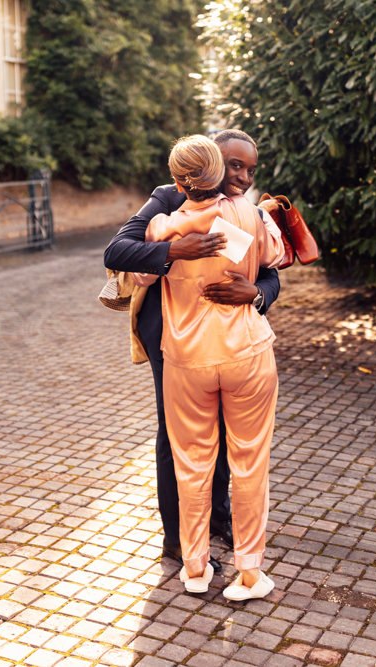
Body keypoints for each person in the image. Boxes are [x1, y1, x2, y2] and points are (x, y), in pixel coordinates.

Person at [103, 130, 280, 574]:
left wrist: (255, 292)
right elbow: (118, 249)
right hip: (172, 337)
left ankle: (218, 520)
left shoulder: (243, 208)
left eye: (249, 169)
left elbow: (268, 270)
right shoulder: (168, 196)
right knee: (177, 439)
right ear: (210, 162)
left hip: (230, 339)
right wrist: (172, 250)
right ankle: (178, 541)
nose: (241, 176)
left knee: (223, 430)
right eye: (234, 166)